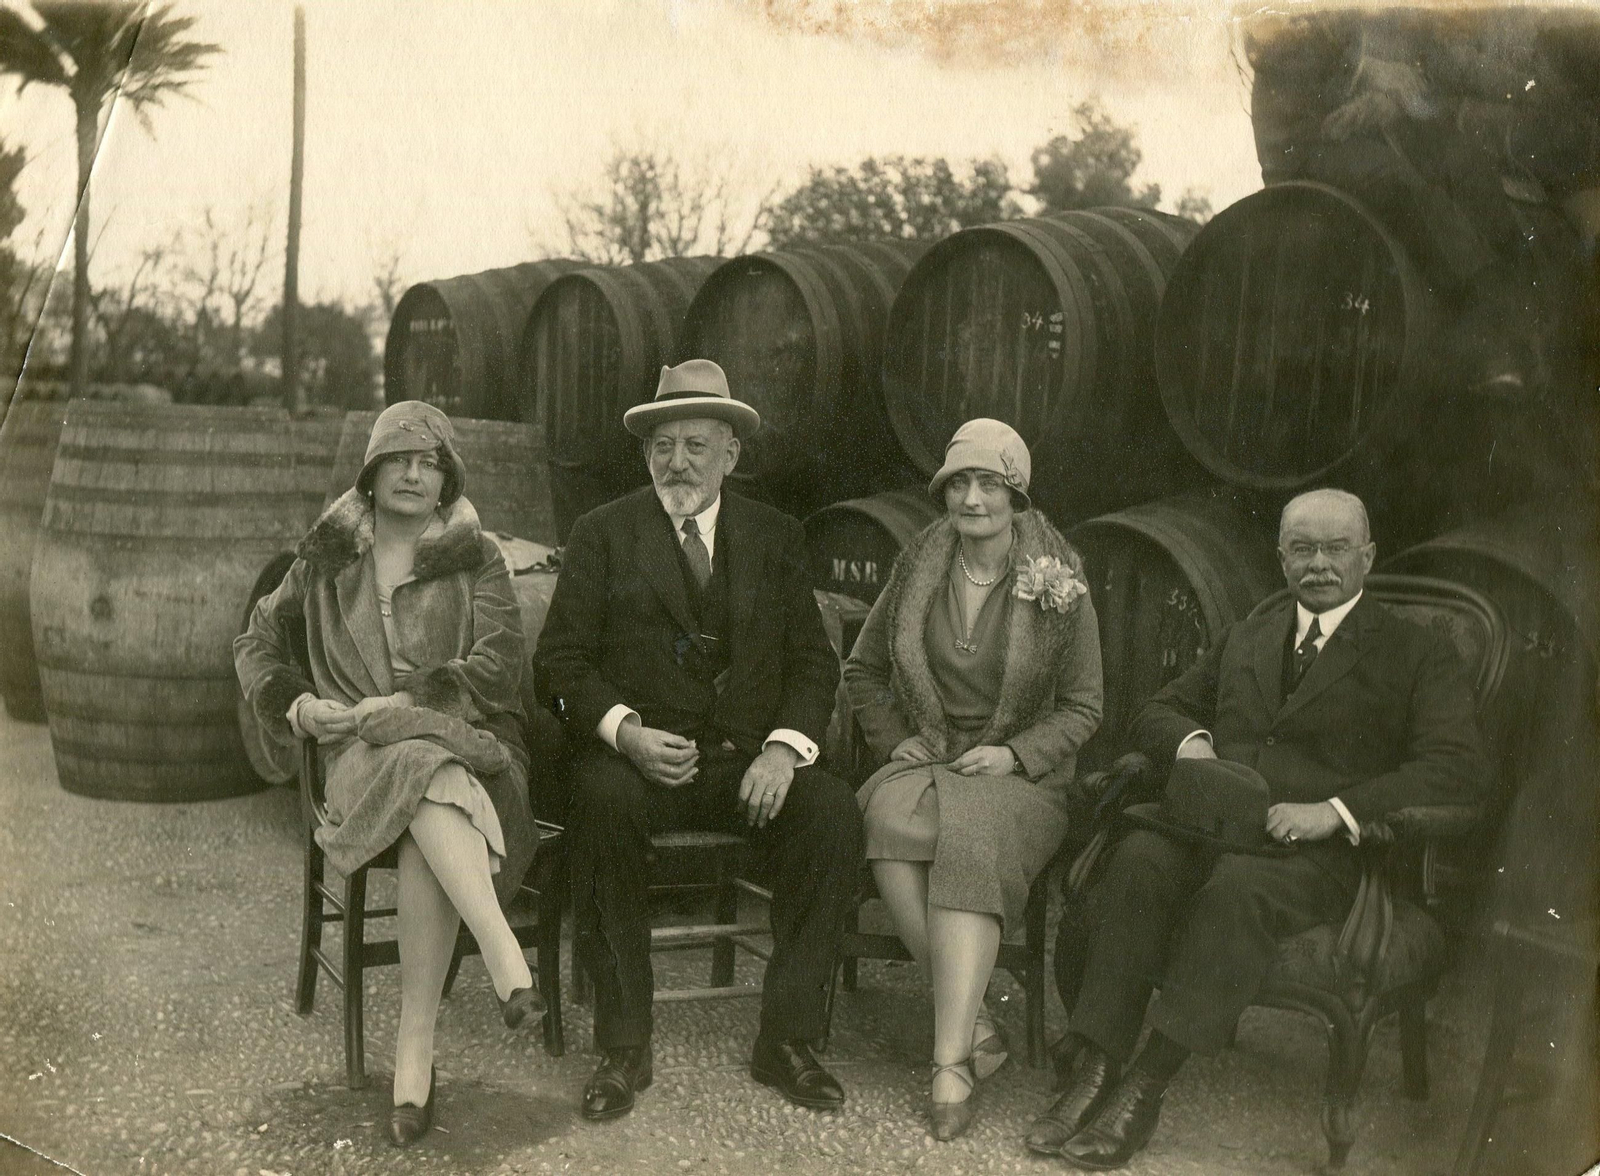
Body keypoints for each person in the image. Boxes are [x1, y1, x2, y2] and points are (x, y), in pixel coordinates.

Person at [1027, 487, 1489, 1170]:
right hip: (1213, 829)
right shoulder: (1251, 632)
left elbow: (1457, 769)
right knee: (1142, 858)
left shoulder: (1415, 652)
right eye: (1303, 549)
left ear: (1368, 556)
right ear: (1280, 558)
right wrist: (1194, 745)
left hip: (1318, 857)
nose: (1320, 564)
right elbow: (1159, 711)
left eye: (1337, 549)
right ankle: (1095, 1069)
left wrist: (1335, 812)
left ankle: (1145, 1088)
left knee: (1238, 891)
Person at [535, 359, 864, 1122]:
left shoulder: (777, 537)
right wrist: (627, 733)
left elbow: (814, 662)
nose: (677, 462)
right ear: (646, 451)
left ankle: (786, 1040)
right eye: (663, 445)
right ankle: (625, 1045)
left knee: (833, 812)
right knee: (599, 799)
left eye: (695, 445)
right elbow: (557, 662)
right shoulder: (602, 534)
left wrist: (783, 751)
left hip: (747, 764)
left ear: (731, 455)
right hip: (639, 767)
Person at [235, 402, 544, 1148]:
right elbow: (255, 644)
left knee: (423, 774)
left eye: (428, 461)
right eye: (397, 459)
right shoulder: (325, 558)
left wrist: (411, 702)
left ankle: (413, 1058)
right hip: (356, 758)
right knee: (413, 770)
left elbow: (500, 669)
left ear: (446, 479)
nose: (412, 472)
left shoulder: (478, 558)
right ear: (370, 474)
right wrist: (302, 707)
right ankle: (501, 954)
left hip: (469, 749)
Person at [842, 418, 1104, 1140]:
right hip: (931, 754)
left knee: (973, 835)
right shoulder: (918, 564)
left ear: (1016, 495)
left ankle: (948, 1059)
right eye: (960, 482)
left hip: (1022, 772)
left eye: (990, 483)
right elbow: (862, 670)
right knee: (887, 820)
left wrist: (1015, 756)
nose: (973, 498)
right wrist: (897, 740)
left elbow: (1085, 706)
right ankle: (976, 1015)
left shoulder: (1059, 574)